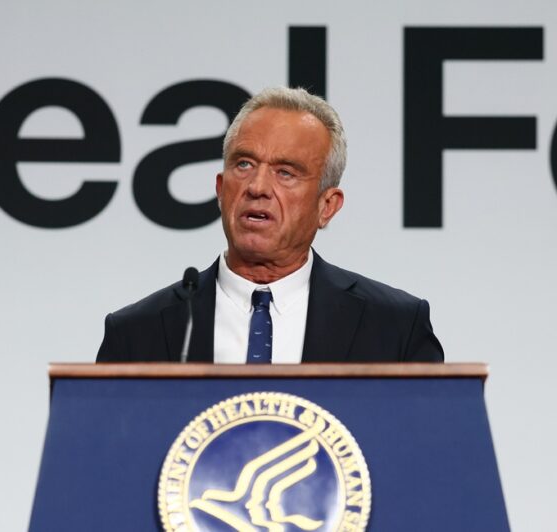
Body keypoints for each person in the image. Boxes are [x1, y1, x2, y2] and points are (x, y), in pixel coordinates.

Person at [96, 87, 443, 363]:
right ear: (221, 189)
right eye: (244, 164)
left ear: (327, 206)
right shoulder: (136, 334)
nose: (257, 187)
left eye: (286, 172)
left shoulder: (395, 328)